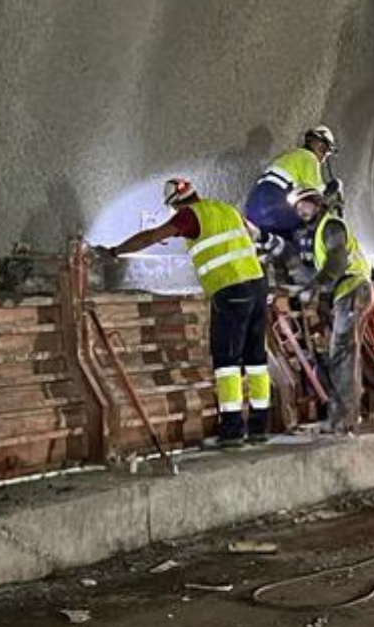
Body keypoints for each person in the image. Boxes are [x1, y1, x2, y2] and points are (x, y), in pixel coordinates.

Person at [104, 178, 271, 446]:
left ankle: (232, 430)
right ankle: (259, 426)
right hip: (258, 286)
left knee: (227, 361)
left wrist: (115, 251)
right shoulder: (226, 209)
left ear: (174, 205)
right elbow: (250, 235)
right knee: (256, 359)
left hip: (231, 290)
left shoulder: (189, 216)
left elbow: (151, 236)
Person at [297, 186, 374, 433]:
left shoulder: (331, 225)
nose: (300, 210)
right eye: (297, 206)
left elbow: (337, 261)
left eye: (304, 204)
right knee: (344, 354)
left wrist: (316, 288)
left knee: (342, 353)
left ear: (318, 204)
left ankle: (344, 420)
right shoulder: (318, 233)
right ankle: (347, 416)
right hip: (348, 293)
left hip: (352, 289)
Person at [243, 126, 340, 267]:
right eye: (325, 152)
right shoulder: (309, 158)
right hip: (275, 201)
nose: (324, 158)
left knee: (268, 244)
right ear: (320, 146)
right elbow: (316, 195)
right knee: (306, 229)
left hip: (254, 205)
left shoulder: (289, 157)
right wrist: (332, 188)